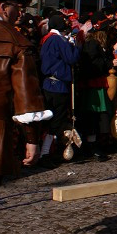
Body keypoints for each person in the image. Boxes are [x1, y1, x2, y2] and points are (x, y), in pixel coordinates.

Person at [0, 0, 52, 201]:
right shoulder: (15, 41)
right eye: (15, 7)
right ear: (2, 7)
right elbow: (26, 98)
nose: (19, 13)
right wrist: (32, 140)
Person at [77, 12, 117, 161]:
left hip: (99, 83)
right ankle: (91, 146)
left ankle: (97, 144)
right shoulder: (91, 44)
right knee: (94, 115)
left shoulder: (101, 45)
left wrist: (113, 51)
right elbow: (92, 64)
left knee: (101, 115)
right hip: (92, 84)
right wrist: (110, 64)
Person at [40, 12, 80, 167]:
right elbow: (71, 58)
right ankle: (46, 153)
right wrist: (75, 45)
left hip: (48, 83)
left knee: (50, 119)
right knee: (56, 120)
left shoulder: (47, 39)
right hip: (58, 85)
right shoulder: (57, 40)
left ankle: (46, 151)